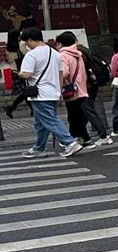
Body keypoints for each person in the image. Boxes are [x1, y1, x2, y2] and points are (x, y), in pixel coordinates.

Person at [18, 28, 84, 158]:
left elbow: (27, 74)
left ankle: (70, 142)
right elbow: (60, 74)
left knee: (49, 120)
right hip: (53, 91)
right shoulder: (54, 53)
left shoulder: (31, 55)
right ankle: (39, 148)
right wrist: (59, 91)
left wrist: (19, 74)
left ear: (31, 40)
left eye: (26, 42)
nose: (27, 45)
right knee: (41, 122)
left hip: (40, 94)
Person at [57, 31, 112, 149]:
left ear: (61, 44)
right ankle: (83, 138)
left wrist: (57, 79)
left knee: (82, 114)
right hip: (83, 87)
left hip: (71, 89)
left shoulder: (63, 55)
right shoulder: (79, 53)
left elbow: (65, 72)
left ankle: (101, 136)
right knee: (78, 115)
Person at [5, 17, 35, 118]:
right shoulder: (20, 46)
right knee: (26, 92)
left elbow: (10, 61)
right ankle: (13, 107)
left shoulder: (8, 49)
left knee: (25, 92)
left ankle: (13, 107)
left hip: (14, 73)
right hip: (22, 72)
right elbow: (27, 55)